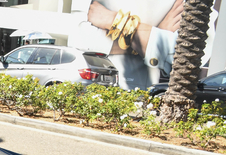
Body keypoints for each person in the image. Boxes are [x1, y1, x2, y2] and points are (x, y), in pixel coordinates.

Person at [71, 0, 218, 90]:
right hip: (93, 90)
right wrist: (156, 35)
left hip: (152, 98)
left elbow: (194, 52)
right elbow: (80, 38)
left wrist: (117, 22)